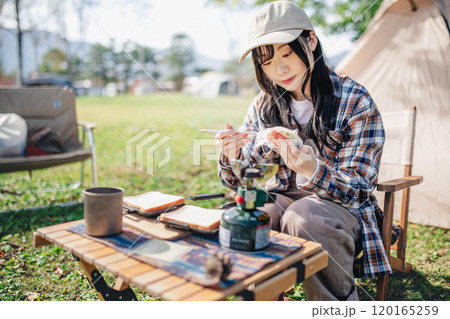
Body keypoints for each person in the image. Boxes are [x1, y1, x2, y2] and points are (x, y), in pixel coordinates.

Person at [215, 1, 390, 301]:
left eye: (287, 53)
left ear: (310, 40)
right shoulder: (263, 104)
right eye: (267, 62)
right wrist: (230, 158)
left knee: (304, 216)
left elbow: (359, 189)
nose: (279, 70)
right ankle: (265, 300)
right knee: (246, 215)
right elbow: (240, 182)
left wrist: (313, 170)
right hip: (282, 199)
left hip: (339, 211)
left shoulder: (354, 100)